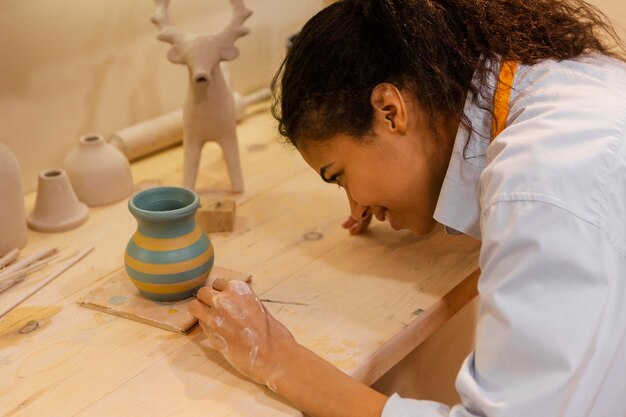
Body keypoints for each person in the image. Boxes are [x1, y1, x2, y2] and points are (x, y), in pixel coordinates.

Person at [188, 0, 626, 415]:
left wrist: (275, 358)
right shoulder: (554, 79)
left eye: (337, 174)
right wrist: (390, 193)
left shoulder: (538, 185)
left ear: (390, 111)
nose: (355, 202)